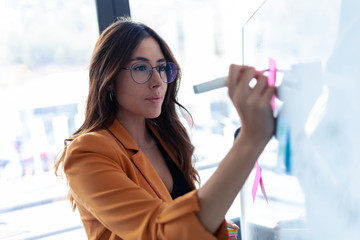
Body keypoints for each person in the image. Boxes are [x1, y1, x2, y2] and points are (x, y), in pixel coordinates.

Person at [54, 18, 275, 240]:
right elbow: (159, 232)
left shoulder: (166, 139)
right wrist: (250, 139)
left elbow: (184, 221)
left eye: (161, 68)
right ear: (109, 79)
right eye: (141, 68)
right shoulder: (87, 152)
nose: (157, 81)